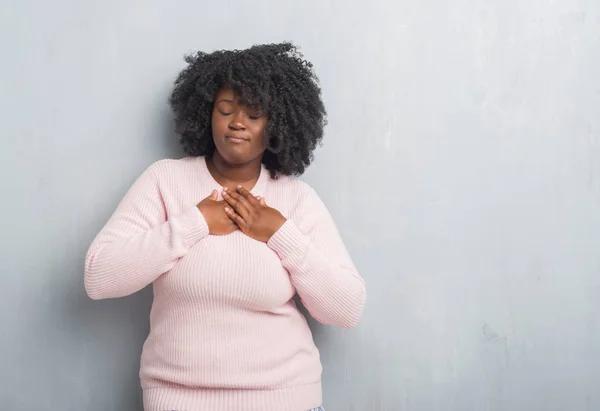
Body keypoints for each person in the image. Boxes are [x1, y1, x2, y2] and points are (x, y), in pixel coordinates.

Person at [84, 42, 366, 411]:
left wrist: (281, 235)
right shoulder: (165, 181)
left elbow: (346, 309)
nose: (237, 123)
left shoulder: (296, 199)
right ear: (206, 114)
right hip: (179, 401)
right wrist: (195, 222)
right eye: (225, 110)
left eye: (254, 114)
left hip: (284, 401)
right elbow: (98, 277)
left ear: (277, 123)